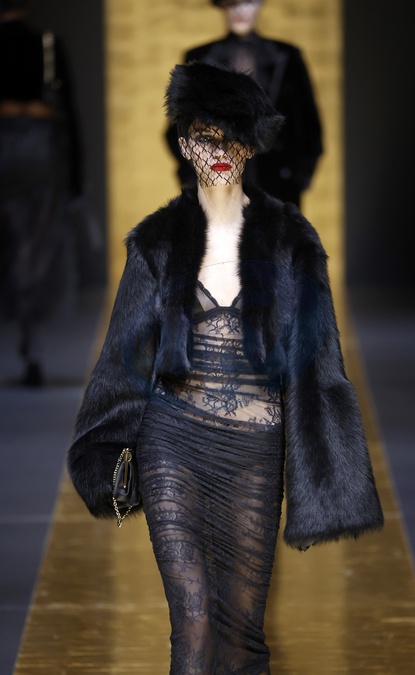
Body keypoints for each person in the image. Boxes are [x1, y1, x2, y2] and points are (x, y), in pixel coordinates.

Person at [68, 63, 383, 674]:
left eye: (233, 137)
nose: (218, 150)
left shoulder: (291, 241)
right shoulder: (157, 242)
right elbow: (125, 357)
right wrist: (105, 450)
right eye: (204, 136)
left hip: (254, 450)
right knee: (191, 624)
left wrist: (328, 471)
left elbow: (320, 364)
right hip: (172, 440)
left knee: (240, 634)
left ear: (252, 145)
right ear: (184, 142)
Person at [166, 0, 323, 208]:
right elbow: (178, 127)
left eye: (249, 2)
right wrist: (193, 174)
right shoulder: (200, 57)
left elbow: (309, 123)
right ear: (222, 6)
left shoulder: (286, 57)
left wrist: (297, 177)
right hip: (217, 184)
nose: (240, 11)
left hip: (278, 183)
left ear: (260, 4)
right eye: (233, 3)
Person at [0, 0, 82, 385]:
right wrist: (77, 178)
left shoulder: (49, 45)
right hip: (40, 162)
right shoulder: (48, 45)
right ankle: (31, 342)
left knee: (26, 250)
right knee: (34, 251)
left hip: (33, 164)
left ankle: (30, 341)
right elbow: (70, 114)